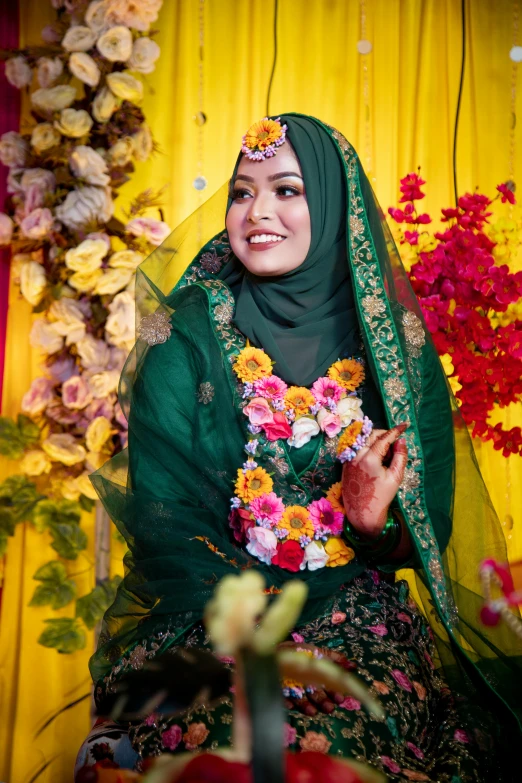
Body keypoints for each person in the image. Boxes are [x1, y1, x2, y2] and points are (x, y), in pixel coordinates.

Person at [75, 114, 521, 781]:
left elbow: (428, 527)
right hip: (211, 615)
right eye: (242, 191)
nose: (257, 212)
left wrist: (372, 522)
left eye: (287, 189)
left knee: (347, 729)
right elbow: (165, 522)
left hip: (357, 614)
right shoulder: (189, 336)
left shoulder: (391, 343)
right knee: (237, 732)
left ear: (336, 203)